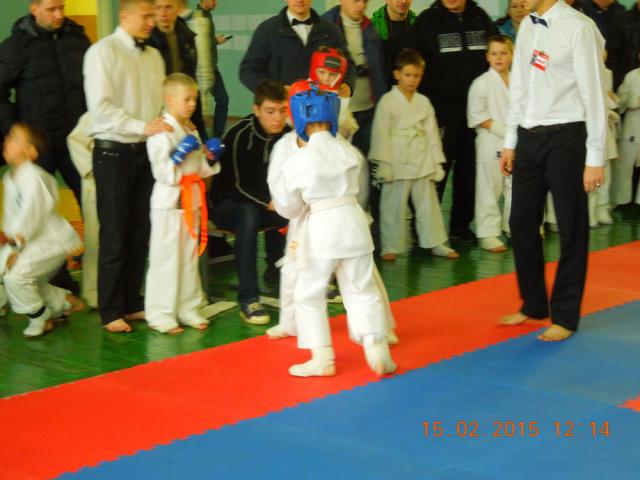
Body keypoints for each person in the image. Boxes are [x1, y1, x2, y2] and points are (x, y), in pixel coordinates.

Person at [268, 82, 396, 377]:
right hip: (354, 224)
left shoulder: (298, 159)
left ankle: (322, 358)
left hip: (322, 228)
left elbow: (288, 208)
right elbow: (361, 191)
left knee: (309, 293)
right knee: (361, 289)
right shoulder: (350, 152)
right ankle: (376, 346)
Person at [499, 0, 607, 341]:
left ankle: (565, 316)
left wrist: (595, 157)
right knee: (520, 221)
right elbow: (519, 87)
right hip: (528, 137)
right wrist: (510, 140)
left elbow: (594, 95)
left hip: (566, 137)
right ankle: (533, 303)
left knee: (571, 226)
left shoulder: (579, 27)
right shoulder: (527, 26)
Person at [83, 0, 170, 333]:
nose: (152, 22)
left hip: (145, 151)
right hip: (112, 153)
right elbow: (101, 109)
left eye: (153, 16)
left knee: (139, 231)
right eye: (146, 16)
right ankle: (110, 310)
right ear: (125, 16)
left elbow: (160, 105)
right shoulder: (102, 53)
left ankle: (132, 302)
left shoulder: (154, 55)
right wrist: (142, 126)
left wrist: (170, 123)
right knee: (115, 232)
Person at [0, 0, 90, 297]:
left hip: (77, 140)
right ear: (34, 8)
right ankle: (57, 281)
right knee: (38, 215)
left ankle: (97, 273)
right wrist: (16, 130)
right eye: (51, 9)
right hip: (39, 146)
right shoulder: (16, 46)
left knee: (93, 203)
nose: (59, 14)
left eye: (61, 7)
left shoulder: (77, 38)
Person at [411, 0, 499, 243]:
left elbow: (496, 56)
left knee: (470, 171)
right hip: (441, 111)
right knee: (436, 170)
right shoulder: (427, 21)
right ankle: (425, 229)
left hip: (476, 113)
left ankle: (460, 226)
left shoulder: (480, 18)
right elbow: (414, 64)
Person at [209, 80, 290, 325]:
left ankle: (283, 274)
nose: (278, 118)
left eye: (282, 111)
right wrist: (270, 202)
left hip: (265, 206)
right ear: (256, 110)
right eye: (270, 111)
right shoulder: (239, 134)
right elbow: (236, 187)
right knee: (249, 214)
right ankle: (249, 299)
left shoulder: (288, 135)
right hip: (228, 206)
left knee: (300, 211)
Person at [145, 73, 220, 334]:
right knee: (165, 259)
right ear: (169, 100)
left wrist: (210, 157)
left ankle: (188, 308)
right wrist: (177, 156)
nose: (192, 104)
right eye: (186, 99)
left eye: (194, 99)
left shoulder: (191, 129)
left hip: (191, 201)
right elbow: (162, 173)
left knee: (189, 258)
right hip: (169, 203)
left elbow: (200, 169)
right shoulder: (161, 130)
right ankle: (160, 314)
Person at [370, 49, 458, 261]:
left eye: (416, 76)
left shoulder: (424, 102)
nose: (412, 80)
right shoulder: (387, 101)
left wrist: (437, 162)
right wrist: (383, 164)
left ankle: (436, 242)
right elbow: (380, 134)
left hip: (421, 155)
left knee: (429, 204)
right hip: (397, 158)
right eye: (408, 75)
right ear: (397, 74)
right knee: (392, 205)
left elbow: (432, 133)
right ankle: (390, 246)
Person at [1, 123, 84, 337]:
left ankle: (40, 317)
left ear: (31, 152)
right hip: (28, 240)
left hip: (50, 242)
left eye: (15, 139)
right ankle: (64, 301)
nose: (7, 140)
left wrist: (14, 248)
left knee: (15, 276)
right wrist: (7, 242)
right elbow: (13, 217)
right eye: (9, 136)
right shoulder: (10, 177)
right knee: (7, 270)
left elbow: (31, 216)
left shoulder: (34, 177)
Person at [239, 0, 356, 94]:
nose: (300, 0)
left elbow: (348, 64)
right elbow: (248, 71)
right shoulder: (267, 30)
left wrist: (347, 83)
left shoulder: (330, 29)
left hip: (321, 108)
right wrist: (275, 90)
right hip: (281, 109)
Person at [467, 35, 513, 253]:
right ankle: (488, 233)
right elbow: (477, 116)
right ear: (487, 56)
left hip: (514, 144)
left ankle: (515, 227)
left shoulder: (518, 82)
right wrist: (505, 131)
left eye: (503, 53)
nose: (498, 57)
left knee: (515, 188)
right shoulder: (481, 83)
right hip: (490, 141)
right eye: (494, 53)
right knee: (489, 187)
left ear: (511, 55)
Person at [148, 0, 207, 139]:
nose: (163, 13)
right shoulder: (147, 40)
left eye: (168, 7)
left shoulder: (186, 35)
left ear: (178, 9)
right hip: (161, 112)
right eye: (158, 8)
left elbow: (191, 78)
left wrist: (195, 118)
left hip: (187, 105)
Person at [180, 0, 230, 138]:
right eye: (213, 0)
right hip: (200, 70)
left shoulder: (208, 15)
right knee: (201, 106)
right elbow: (197, 42)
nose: (216, 3)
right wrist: (215, 41)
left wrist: (213, 40)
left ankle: (217, 136)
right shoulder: (196, 17)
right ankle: (202, 136)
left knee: (223, 100)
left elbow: (205, 41)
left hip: (212, 67)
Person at [612, 63, 640, 207]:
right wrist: (633, 101)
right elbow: (619, 100)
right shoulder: (632, 76)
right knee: (623, 167)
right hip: (632, 128)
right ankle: (620, 202)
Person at [371, 0, 416, 87]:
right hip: (382, 91)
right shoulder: (372, 26)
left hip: (411, 90)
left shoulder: (419, 25)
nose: (404, 1)